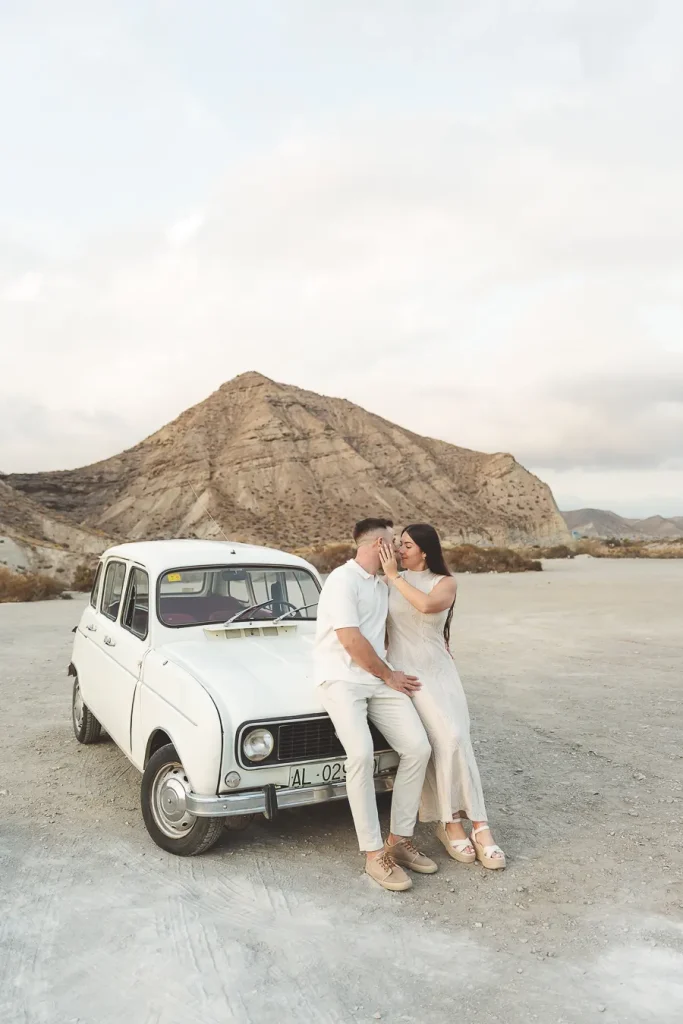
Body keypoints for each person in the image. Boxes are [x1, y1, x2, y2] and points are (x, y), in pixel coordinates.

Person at [314, 517, 437, 891]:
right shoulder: (341, 580)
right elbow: (351, 640)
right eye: (393, 543)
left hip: (377, 678)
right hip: (342, 680)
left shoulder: (383, 584)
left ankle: (398, 841)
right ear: (376, 545)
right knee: (362, 756)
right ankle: (372, 855)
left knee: (418, 748)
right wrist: (389, 676)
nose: (399, 549)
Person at [379, 524, 506, 869]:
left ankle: (476, 824)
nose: (400, 550)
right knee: (445, 739)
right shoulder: (386, 582)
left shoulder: (444, 582)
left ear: (424, 550)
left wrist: (394, 577)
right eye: (399, 544)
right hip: (409, 675)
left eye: (406, 545)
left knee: (457, 737)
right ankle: (453, 823)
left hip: (441, 672)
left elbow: (427, 606)